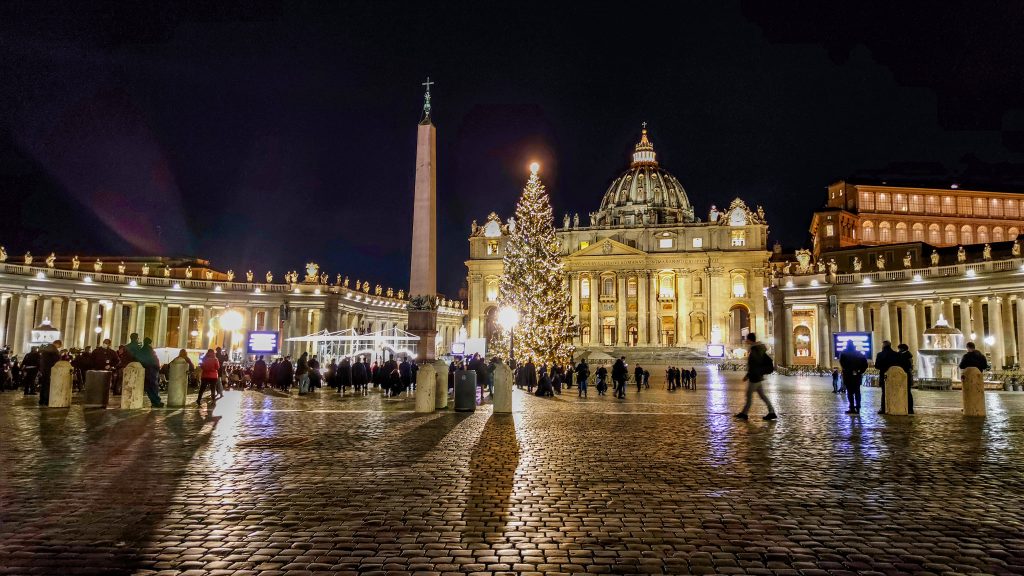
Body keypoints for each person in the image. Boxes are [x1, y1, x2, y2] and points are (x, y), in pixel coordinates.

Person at [735, 333, 777, 420]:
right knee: (762, 396)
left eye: (747, 339)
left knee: (749, 395)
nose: (745, 341)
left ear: (750, 340)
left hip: (755, 377)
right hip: (758, 376)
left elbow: (754, 365)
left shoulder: (754, 350)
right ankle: (771, 412)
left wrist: (748, 375)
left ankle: (744, 413)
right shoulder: (757, 349)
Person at [838, 341, 868, 414]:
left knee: (850, 392)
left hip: (848, 375)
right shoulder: (859, 353)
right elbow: (865, 364)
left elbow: (842, 363)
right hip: (857, 375)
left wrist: (846, 370)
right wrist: (860, 371)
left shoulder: (843, 353)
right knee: (857, 392)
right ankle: (858, 407)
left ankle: (852, 408)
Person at [138, 337, 164, 408]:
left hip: (146, 370)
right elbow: (155, 360)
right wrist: (158, 368)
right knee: (153, 386)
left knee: (149, 388)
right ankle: (156, 401)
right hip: (151, 370)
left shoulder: (142, 350)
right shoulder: (150, 350)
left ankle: (155, 401)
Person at [874, 341, 899, 414]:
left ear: (883, 346)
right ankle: (894, 407)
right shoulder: (896, 354)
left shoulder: (880, 354)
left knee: (884, 393)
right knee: (894, 392)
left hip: (884, 375)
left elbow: (877, 366)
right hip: (894, 375)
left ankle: (883, 409)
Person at [37, 339, 61, 406]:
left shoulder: (46, 349)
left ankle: (41, 400)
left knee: (43, 385)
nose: (58, 348)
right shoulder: (54, 350)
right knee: (48, 385)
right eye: (59, 346)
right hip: (50, 369)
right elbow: (56, 359)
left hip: (44, 369)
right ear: (57, 344)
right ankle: (47, 400)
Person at [896, 343, 915, 414]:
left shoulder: (904, 356)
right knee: (907, 392)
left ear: (902, 349)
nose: (898, 350)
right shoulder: (908, 355)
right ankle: (909, 408)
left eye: (899, 349)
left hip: (904, 375)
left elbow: (907, 366)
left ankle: (908, 408)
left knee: (907, 392)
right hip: (907, 375)